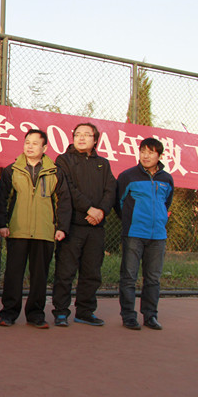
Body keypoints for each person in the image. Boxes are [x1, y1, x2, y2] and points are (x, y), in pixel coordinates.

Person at [0, 129, 69, 329]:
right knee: (13, 274)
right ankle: (8, 313)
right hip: (17, 231)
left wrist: (61, 227)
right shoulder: (12, 170)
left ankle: (36, 314)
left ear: (44, 148)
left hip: (45, 232)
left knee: (39, 276)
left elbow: (63, 202)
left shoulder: (55, 172)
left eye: (35, 143)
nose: (30, 146)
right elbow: (2, 198)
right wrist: (1, 224)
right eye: (27, 142)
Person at [51, 122, 116, 327]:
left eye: (87, 135)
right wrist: (89, 209)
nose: (81, 138)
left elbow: (110, 190)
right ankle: (61, 312)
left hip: (96, 227)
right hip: (72, 226)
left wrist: (101, 211)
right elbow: (68, 189)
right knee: (65, 272)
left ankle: (85, 312)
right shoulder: (63, 160)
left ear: (95, 140)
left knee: (92, 273)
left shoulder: (103, 164)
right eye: (78, 134)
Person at [115, 137, 173, 330]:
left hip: (158, 236)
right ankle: (128, 316)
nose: (146, 156)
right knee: (129, 277)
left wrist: (159, 220)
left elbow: (166, 203)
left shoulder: (167, 179)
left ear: (159, 155)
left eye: (151, 152)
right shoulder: (128, 176)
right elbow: (119, 202)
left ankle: (150, 316)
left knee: (153, 278)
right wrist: (130, 220)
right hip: (134, 233)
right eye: (143, 152)